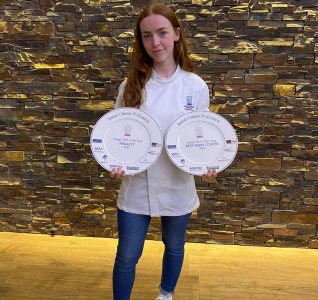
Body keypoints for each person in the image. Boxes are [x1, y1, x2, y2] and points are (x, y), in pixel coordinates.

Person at [110, 3, 217, 300]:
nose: (155, 42)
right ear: (140, 41)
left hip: (177, 182)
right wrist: (115, 162)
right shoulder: (130, 85)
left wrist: (207, 162)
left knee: (174, 245)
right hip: (137, 185)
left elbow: (201, 134)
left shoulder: (195, 86)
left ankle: (165, 295)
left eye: (162, 33)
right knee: (127, 255)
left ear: (176, 34)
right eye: (146, 36)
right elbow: (116, 135)